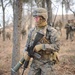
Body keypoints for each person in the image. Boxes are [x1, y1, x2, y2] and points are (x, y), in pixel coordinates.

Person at [23, 8, 60, 75]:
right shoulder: (32, 31)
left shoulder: (51, 31)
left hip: (47, 63)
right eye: (34, 18)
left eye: (36, 17)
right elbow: (27, 45)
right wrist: (25, 52)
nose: (35, 19)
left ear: (42, 18)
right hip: (35, 63)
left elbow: (57, 47)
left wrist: (42, 46)